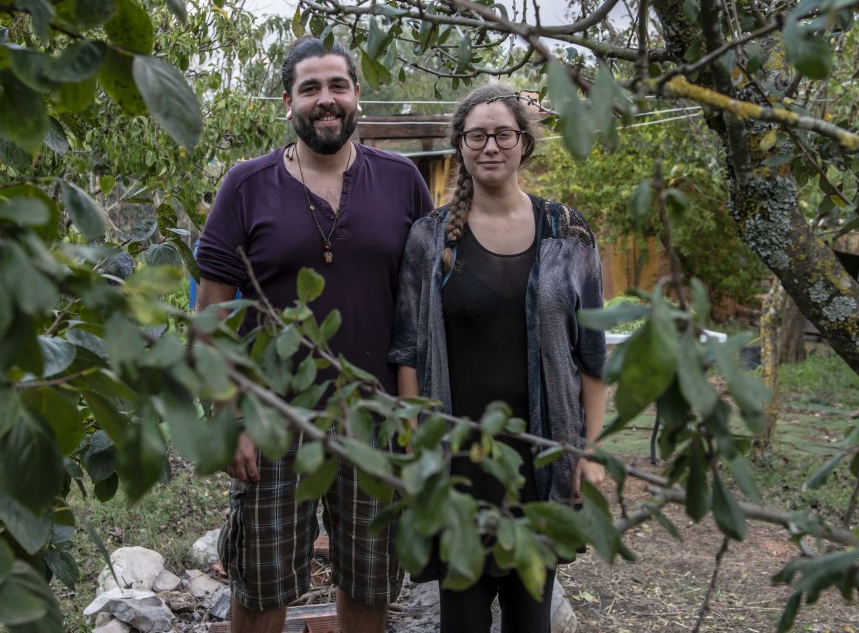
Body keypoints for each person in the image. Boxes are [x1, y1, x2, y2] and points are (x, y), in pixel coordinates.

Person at [194, 37, 433, 633]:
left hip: (375, 420)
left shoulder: (403, 182)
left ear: (357, 96)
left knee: (370, 579)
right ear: (287, 102)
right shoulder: (245, 186)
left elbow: (428, 304)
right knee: (260, 583)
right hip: (272, 418)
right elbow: (210, 317)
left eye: (338, 86)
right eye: (310, 89)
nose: (326, 101)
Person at [389, 83, 607, 633]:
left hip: (540, 457)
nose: (491, 146)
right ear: (460, 145)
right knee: (461, 617)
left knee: (531, 618)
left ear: (524, 144)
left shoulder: (568, 232)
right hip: (458, 461)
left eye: (503, 134)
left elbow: (593, 355)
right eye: (477, 135)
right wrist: (416, 448)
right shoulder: (429, 238)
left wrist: (590, 452)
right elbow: (409, 351)